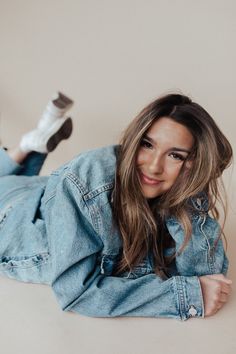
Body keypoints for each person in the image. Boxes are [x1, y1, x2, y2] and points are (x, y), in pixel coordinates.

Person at [0, 91, 233, 321]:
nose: (154, 167)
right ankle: (28, 145)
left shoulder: (174, 183)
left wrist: (192, 186)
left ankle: (32, 142)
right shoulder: (88, 178)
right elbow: (75, 292)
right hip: (11, 215)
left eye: (175, 156)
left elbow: (208, 279)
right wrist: (184, 297)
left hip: (41, 189)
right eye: (147, 145)